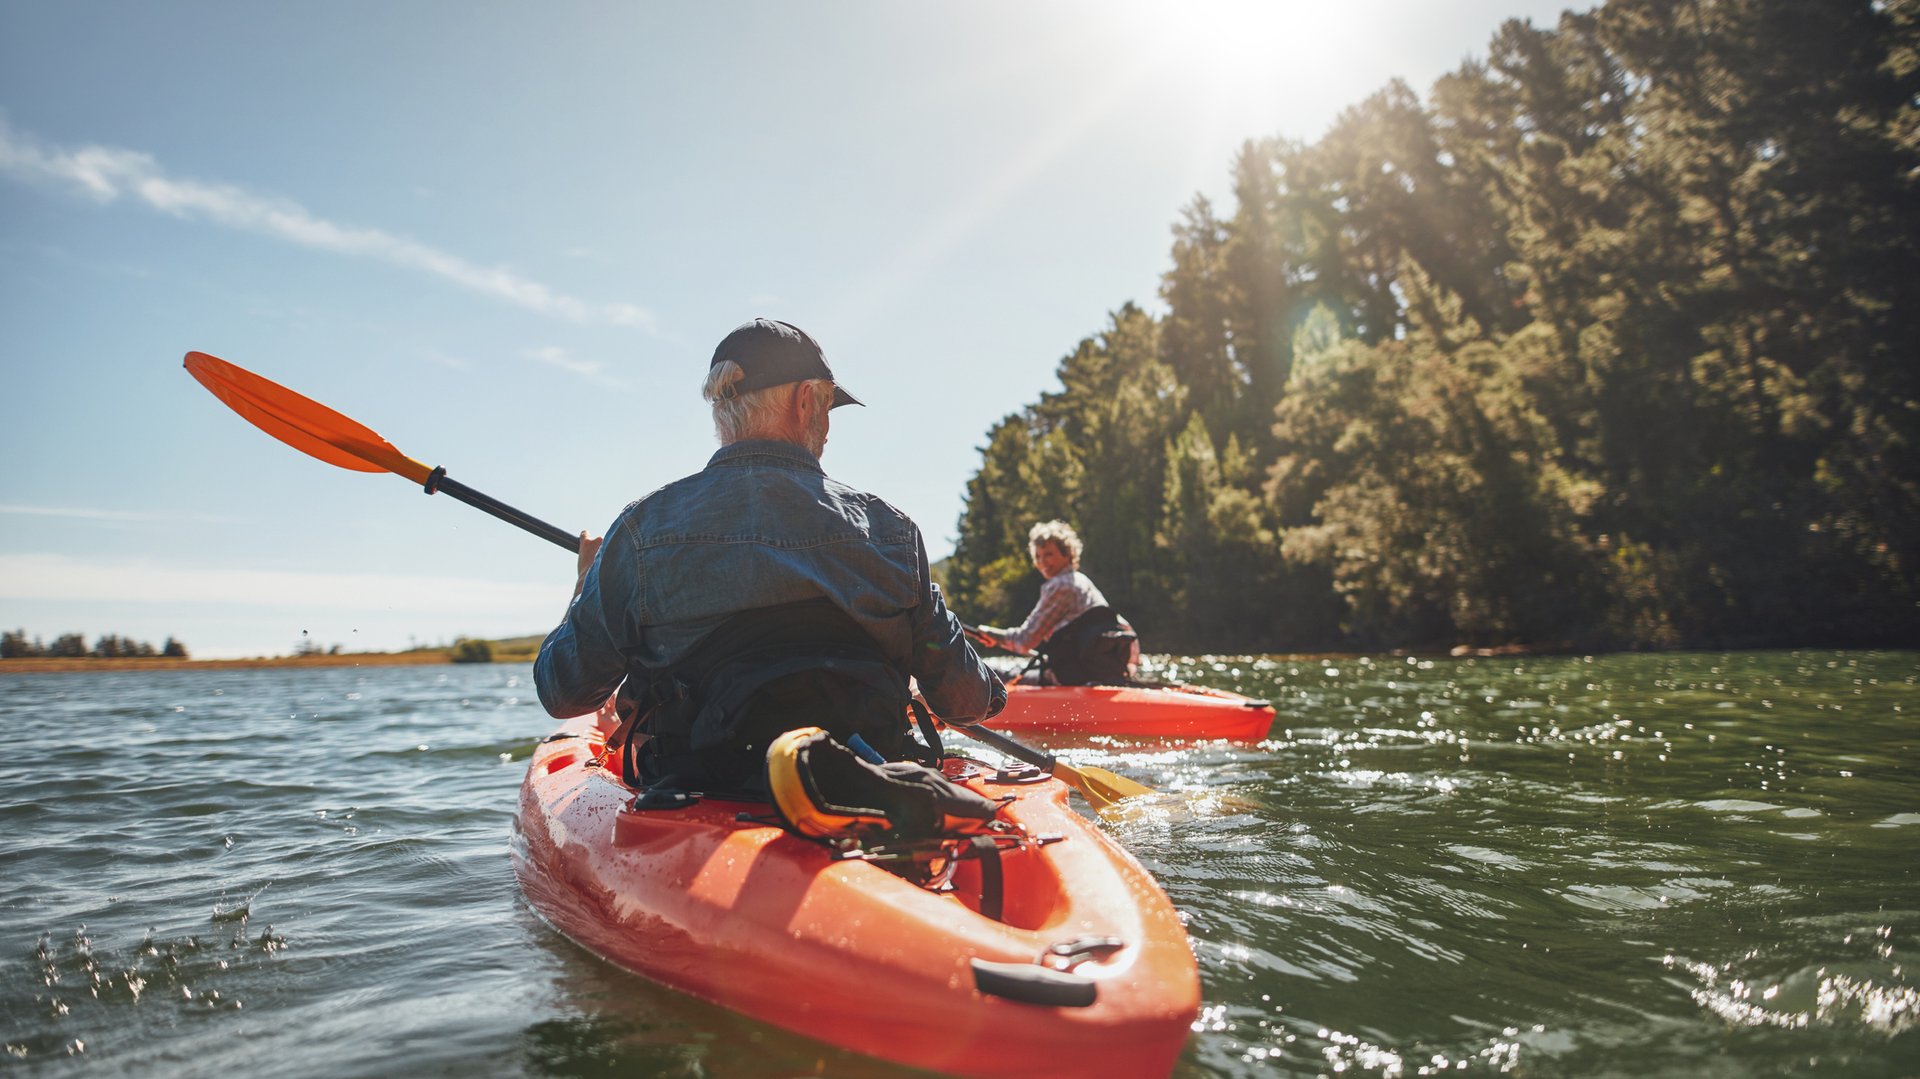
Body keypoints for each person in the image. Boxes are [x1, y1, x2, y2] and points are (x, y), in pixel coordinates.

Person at [535, 318, 1005, 795]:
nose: (827, 428)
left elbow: (564, 692)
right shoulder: (892, 532)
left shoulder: (640, 531)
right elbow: (965, 700)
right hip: (870, 786)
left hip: (701, 790)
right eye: (827, 407)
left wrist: (586, 584)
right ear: (804, 401)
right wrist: (990, 688)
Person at [967, 520, 1140, 684]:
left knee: (983, 670)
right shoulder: (1082, 581)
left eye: (1048, 554)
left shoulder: (1060, 585)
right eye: (1038, 556)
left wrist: (993, 635)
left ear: (1067, 554)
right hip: (1094, 672)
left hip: (1068, 676)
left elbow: (1024, 640)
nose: (1042, 562)